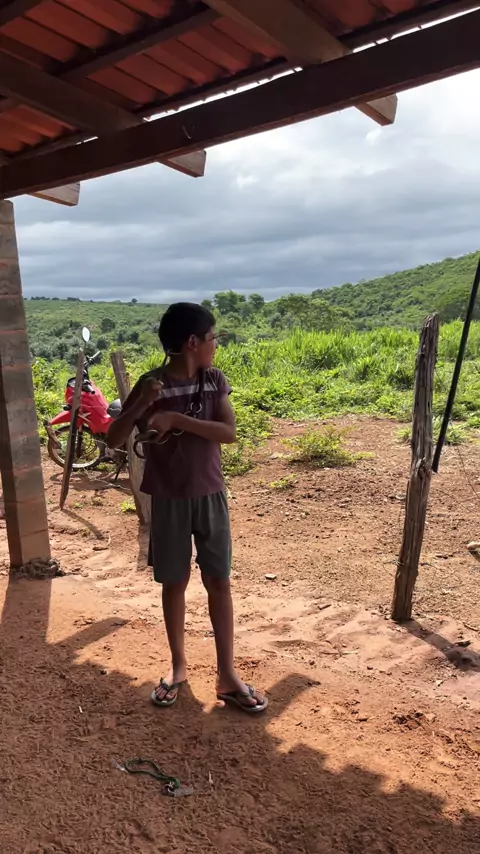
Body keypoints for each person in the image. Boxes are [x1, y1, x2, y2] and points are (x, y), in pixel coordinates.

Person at [107, 302, 267, 714]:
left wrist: (177, 420)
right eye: (214, 337)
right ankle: (178, 667)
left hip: (210, 493)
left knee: (219, 582)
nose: (216, 345)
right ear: (193, 342)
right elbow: (114, 438)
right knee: (174, 583)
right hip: (169, 499)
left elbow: (228, 432)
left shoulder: (215, 381)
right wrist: (141, 404)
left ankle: (227, 674)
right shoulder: (151, 384)